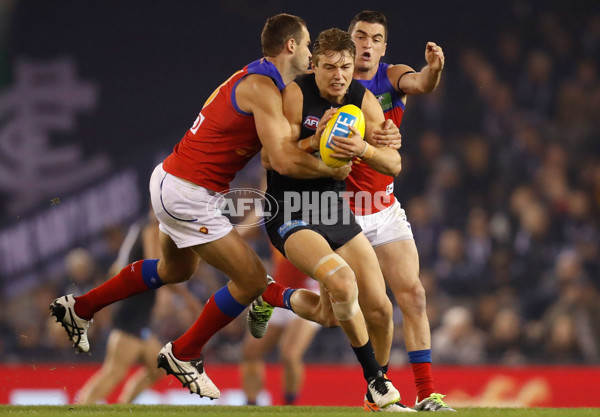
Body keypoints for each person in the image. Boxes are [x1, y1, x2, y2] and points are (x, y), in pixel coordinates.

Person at [49, 13, 349, 400]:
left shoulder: (256, 79)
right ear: (290, 45)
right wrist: (333, 165)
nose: (310, 53)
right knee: (253, 279)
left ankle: (81, 307)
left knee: (177, 269)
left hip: (173, 180)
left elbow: (277, 157)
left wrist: (313, 140)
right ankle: (184, 353)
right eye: (308, 44)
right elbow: (282, 161)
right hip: (189, 193)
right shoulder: (263, 87)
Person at [257, 28, 414, 412]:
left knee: (373, 309)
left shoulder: (362, 100)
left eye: (345, 67)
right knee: (344, 282)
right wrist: (316, 141)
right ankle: (379, 386)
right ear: (314, 66)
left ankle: (272, 295)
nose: (339, 75)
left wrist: (363, 149)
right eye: (329, 67)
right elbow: (271, 158)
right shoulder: (295, 94)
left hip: (331, 208)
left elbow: (394, 163)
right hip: (289, 208)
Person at [347, 11, 454, 412]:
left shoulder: (392, 76)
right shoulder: (330, 83)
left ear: (384, 47)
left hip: (385, 208)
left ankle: (425, 394)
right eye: (360, 36)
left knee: (413, 295)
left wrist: (433, 70)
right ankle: (273, 293)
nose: (367, 44)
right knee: (344, 309)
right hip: (341, 215)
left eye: (375, 38)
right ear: (349, 39)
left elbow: (421, 84)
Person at [76, 211, 203, 404]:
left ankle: (123, 407)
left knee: (158, 367)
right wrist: (188, 298)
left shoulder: (138, 229)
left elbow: (118, 268)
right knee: (115, 372)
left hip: (136, 310)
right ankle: (80, 408)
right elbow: (157, 270)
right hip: (133, 311)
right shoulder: (151, 230)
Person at [240, 249, 320, 406]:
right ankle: (251, 405)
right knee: (251, 351)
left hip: (308, 294)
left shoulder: (316, 224)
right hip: (278, 291)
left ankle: (290, 406)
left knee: (289, 354)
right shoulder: (266, 224)